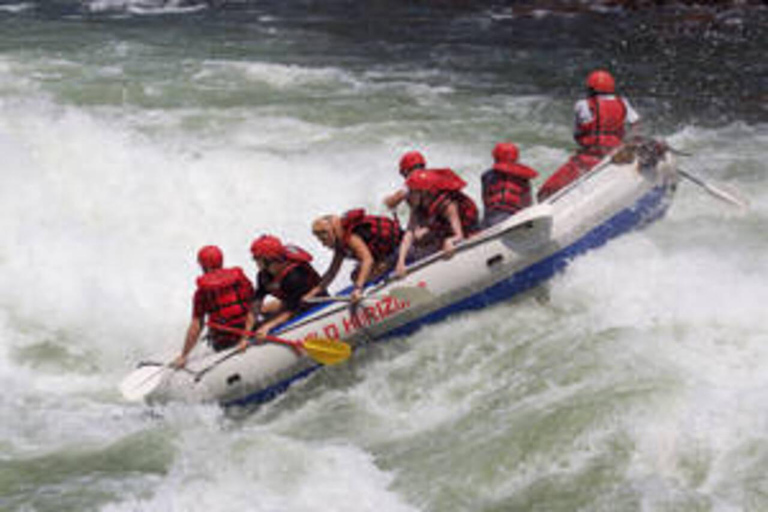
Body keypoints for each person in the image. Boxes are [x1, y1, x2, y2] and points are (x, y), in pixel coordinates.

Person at [538, 69, 640, 201]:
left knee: (545, 191)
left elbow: (577, 134)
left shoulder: (582, 105)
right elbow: (636, 124)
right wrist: (627, 144)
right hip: (614, 156)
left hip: (588, 159)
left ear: (591, 88)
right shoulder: (623, 103)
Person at [174, 245, 254, 368]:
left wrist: (184, 355)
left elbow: (196, 325)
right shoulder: (240, 279)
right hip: (250, 331)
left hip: (224, 342)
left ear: (203, 266)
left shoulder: (201, 292)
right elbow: (253, 306)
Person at [238, 235, 323, 350]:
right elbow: (254, 308)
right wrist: (245, 336)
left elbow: (293, 309)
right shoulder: (263, 276)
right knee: (262, 311)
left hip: (313, 305)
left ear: (267, 260)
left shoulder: (295, 276)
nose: (254, 261)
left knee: (266, 323)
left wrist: (268, 326)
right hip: (291, 303)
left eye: (256, 258)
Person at [395, 168, 479, 278]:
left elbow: (459, 235)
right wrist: (400, 262)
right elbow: (408, 234)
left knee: (426, 238)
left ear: (423, 192)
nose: (409, 195)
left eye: (413, 191)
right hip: (441, 229)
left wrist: (450, 241)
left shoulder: (448, 205)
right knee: (417, 239)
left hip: (466, 229)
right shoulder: (417, 205)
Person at [311, 209, 403, 302]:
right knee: (355, 276)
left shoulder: (351, 238)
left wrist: (358, 288)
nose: (323, 244)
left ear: (332, 232)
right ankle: (380, 273)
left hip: (397, 249)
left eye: (323, 239)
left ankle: (384, 280)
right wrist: (314, 292)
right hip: (385, 254)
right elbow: (332, 271)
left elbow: (367, 260)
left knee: (357, 276)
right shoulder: (340, 243)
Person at [481, 142, 539, 227]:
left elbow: (486, 200)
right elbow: (527, 202)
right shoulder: (523, 178)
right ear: (516, 158)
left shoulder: (486, 175)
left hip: (493, 217)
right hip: (513, 217)